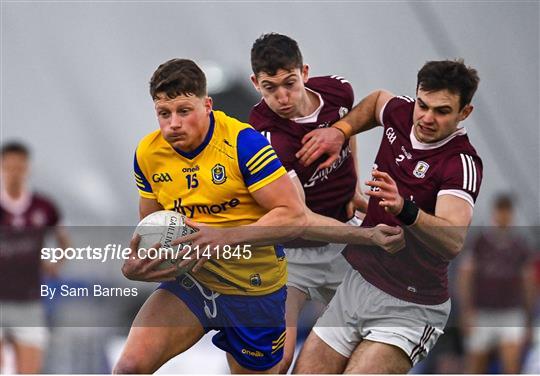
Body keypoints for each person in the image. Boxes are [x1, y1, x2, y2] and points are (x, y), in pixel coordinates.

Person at [114, 58, 402, 374]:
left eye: (184, 111)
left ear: (207, 105)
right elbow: (155, 230)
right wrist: (140, 267)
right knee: (129, 366)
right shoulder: (147, 154)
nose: (173, 124)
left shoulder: (244, 143)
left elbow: (294, 217)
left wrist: (222, 238)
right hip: (195, 283)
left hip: (255, 290)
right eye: (163, 114)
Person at [291, 59, 484, 373]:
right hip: (358, 284)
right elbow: (378, 100)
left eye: (442, 111)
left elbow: (453, 240)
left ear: (464, 113)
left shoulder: (460, 163)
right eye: (423, 104)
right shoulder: (402, 112)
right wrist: (340, 132)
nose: (427, 117)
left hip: (410, 306)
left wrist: (405, 210)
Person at [248, 32, 367, 373]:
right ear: (256, 83)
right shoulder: (263, 135)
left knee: (363, 346)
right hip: (292, 255)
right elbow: (300, 216)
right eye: (270, 88)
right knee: (278, 357)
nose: (283, 97)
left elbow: (350, 131)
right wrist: (366, 236)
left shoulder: (337, 90)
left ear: (305, 72)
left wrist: (353, 189)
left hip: (343, 240)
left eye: (290, 83)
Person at [0, 142, 70, 373]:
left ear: (28, 168)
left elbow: (64, 242)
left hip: (28, 302)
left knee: (30, 371)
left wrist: (54, 263)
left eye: (19, 166)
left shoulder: (44, 206)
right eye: (9, 166)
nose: (14, 172)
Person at [458, 193, 535, 373]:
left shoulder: (521, 245)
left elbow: (528, 281)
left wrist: (528, 316)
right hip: (482, 312)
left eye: (507, 212)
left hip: (511, 312)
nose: (504, 216)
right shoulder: (479, 242)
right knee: (476, 366)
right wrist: (466, 311)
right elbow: (465, 277)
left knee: (511, 365)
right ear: (495, 213)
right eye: (501, 211)